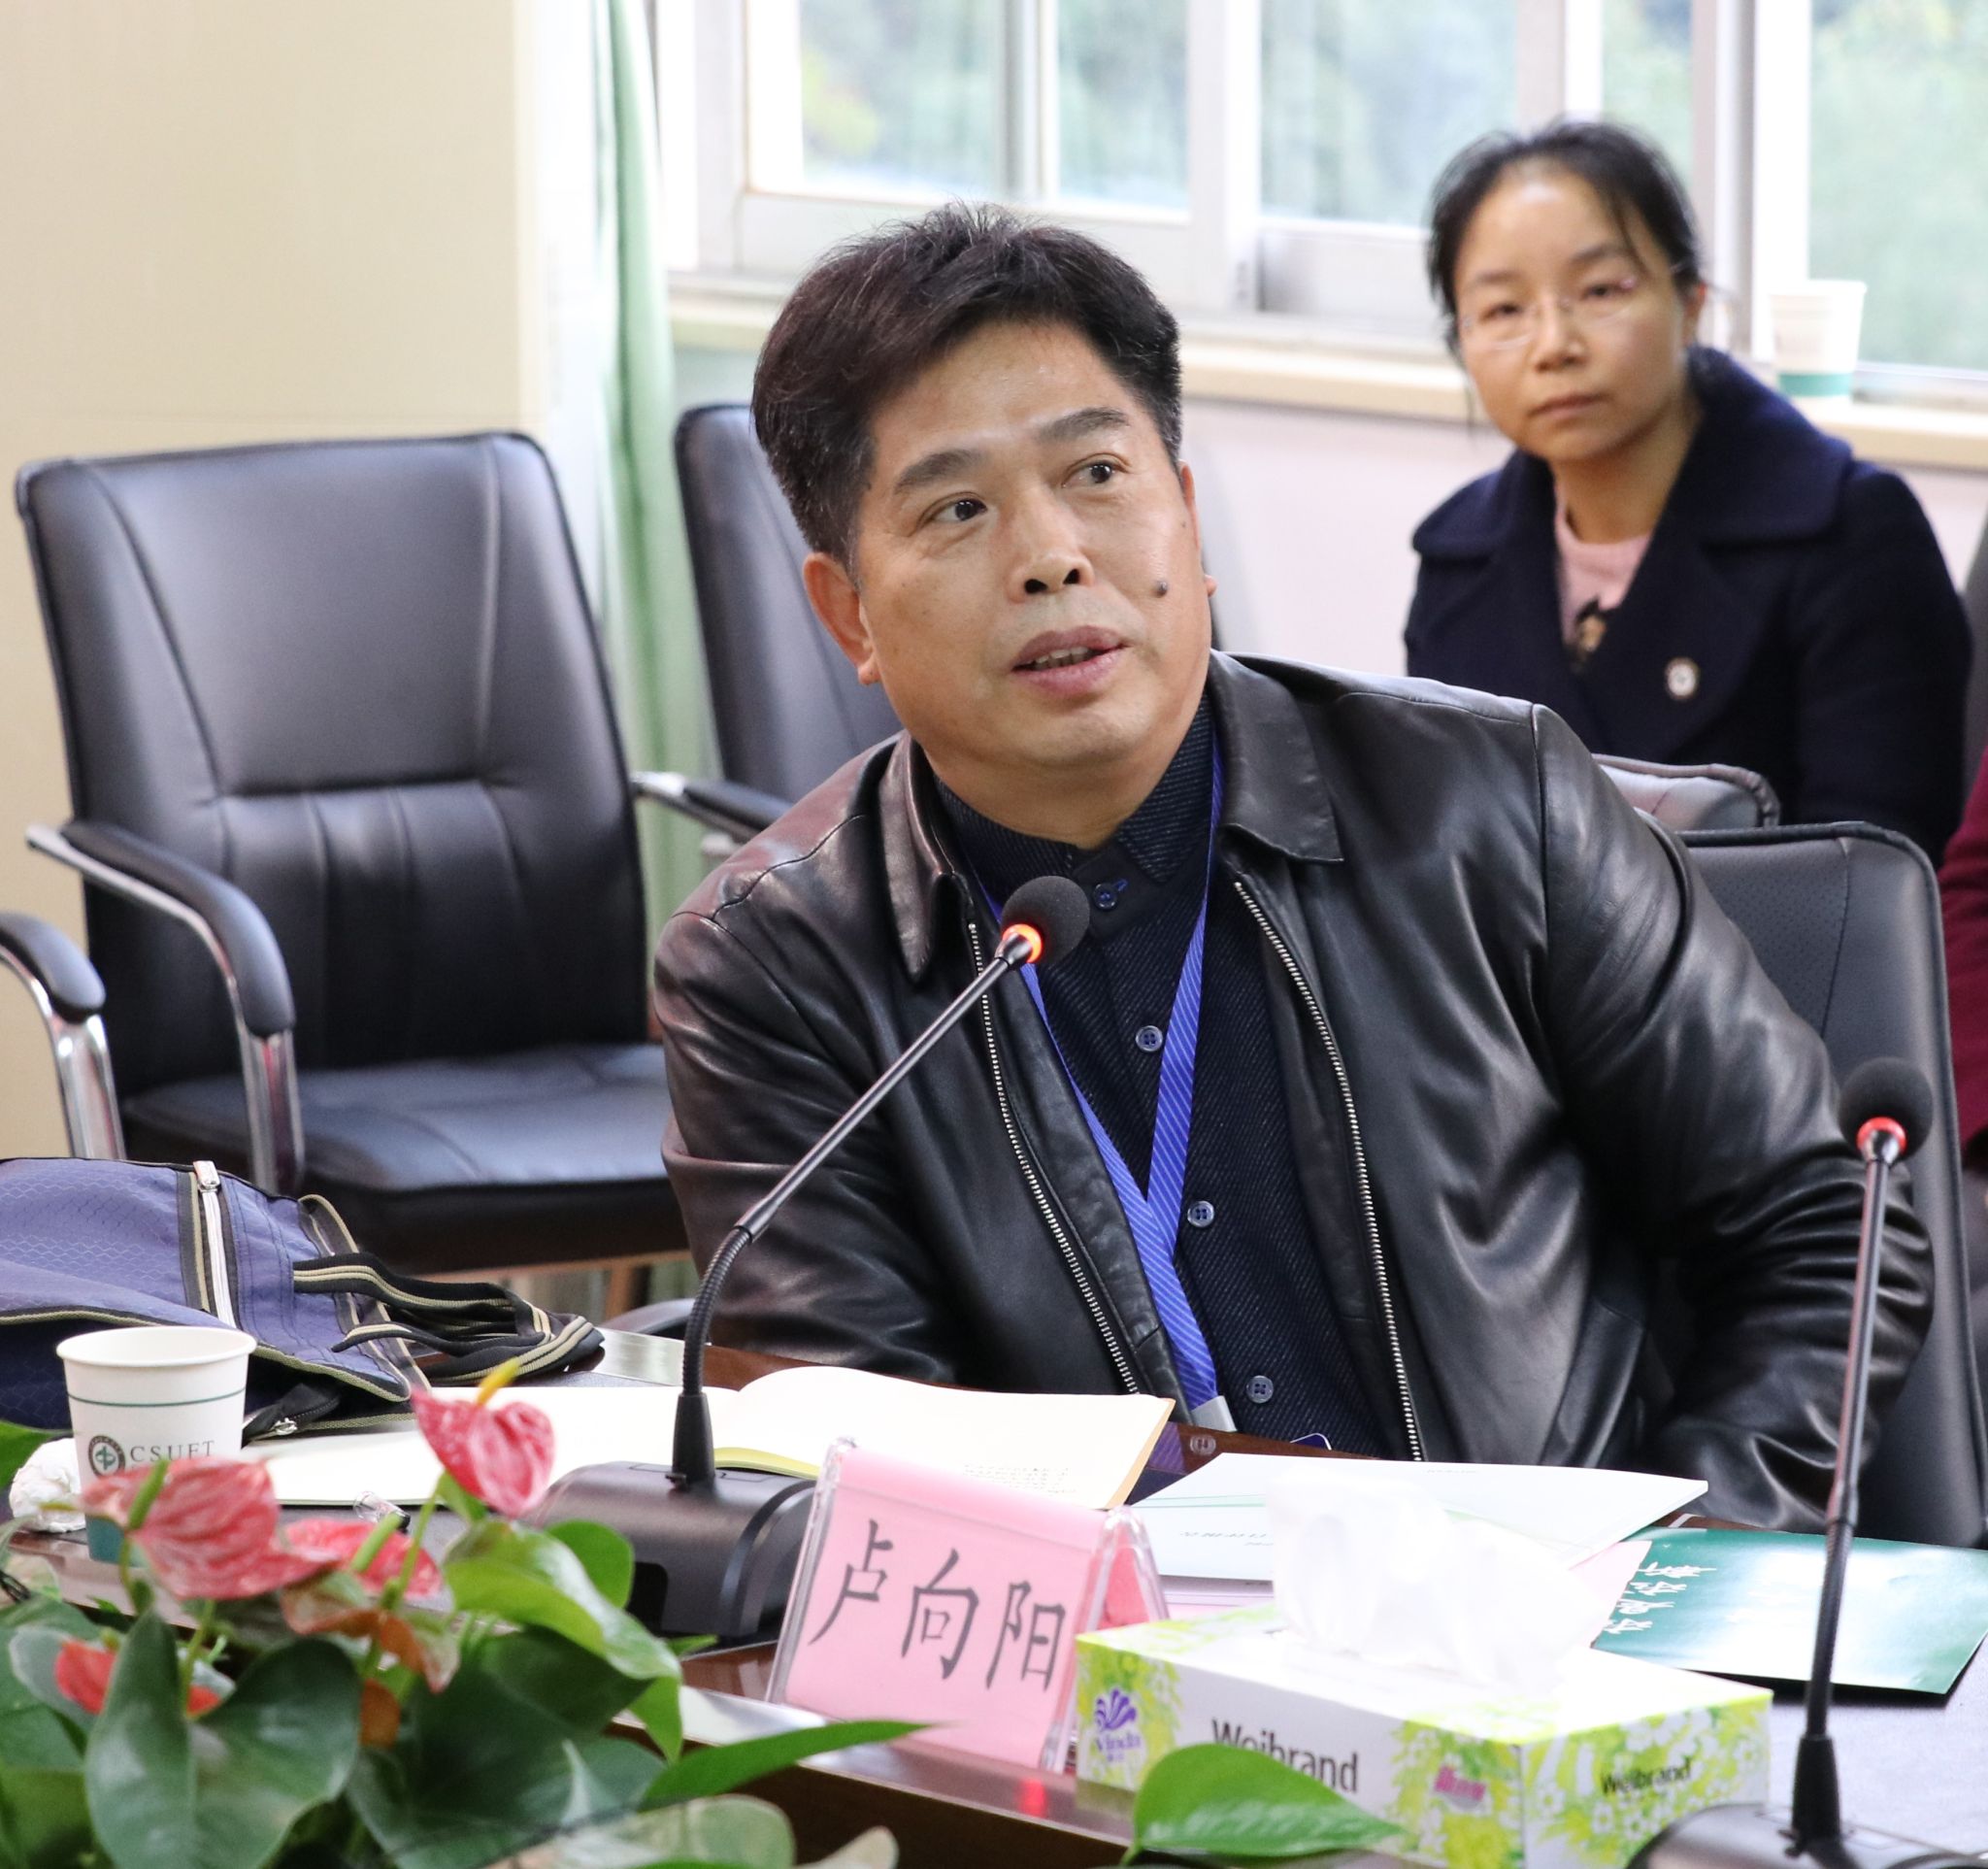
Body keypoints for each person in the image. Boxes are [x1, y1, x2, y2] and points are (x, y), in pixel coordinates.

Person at [653, 203, 1930, 1530]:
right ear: (848, 612)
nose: (1051, 556)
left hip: (1544, 1607)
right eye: (959, 507)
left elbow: (1824, 1218)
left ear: (1186, 519)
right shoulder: (771, 966)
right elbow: (872, 1453)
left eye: (1097, 472)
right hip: (1113, 1641)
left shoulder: (1491, 803)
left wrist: (1674, 1574)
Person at [1405, 120, 1969, 858]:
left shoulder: (1850, 534)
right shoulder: (1458, 559)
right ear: (1462, 341)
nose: (1554, 346)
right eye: (1504, 310)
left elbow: (1871, 883)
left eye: (1600, 290)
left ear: (1691, 302)